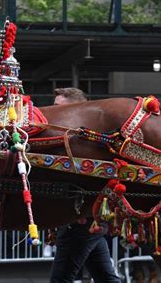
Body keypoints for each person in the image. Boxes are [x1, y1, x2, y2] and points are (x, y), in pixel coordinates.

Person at [50, 87, 120, 283]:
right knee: (105, 277)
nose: (51, 113)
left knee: (60, 279)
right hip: (83, 219)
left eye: (57, 108)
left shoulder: (86, 141)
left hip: (80, 218)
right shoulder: (68, 139)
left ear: (76, 109)